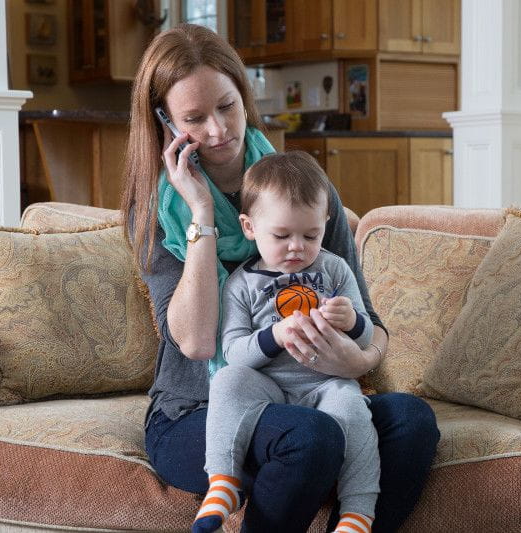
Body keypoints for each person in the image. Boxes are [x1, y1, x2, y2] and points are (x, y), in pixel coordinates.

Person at [120, 23, 440, 533]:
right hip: (201, 411)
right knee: (311, 437)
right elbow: (199, 342)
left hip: (312, 389)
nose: (218, 129)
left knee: (411, 421)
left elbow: (371, 324)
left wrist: (357, 359)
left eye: (227, 106)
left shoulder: (304, 188)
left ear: (244, 96)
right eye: (194, 118)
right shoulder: (159, 212)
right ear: (164, 124)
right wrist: (200, 209)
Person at [195, 151, 379, 533]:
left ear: (325, 223)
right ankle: (223, 483)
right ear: (249, 227)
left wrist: (353, 321)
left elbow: (366, 337)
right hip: (269, 387)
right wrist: (274, 335)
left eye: (311, 235)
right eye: (281, 236)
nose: (297, 246)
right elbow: (232, 353)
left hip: (326, 381)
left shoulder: (333, 269)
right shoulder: (240, 284)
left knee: (353, 407)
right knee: (226, 381)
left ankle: (358, 512)